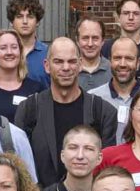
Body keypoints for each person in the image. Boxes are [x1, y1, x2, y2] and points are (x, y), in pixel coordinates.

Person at [14, 36, 120, 180]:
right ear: (46, 66)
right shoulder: (29, 110)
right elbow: (21, 166)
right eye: (58, 61)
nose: (66, 68)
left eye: (72, 61)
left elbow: (106, 170)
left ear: (80, 65)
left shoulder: (102, 112)